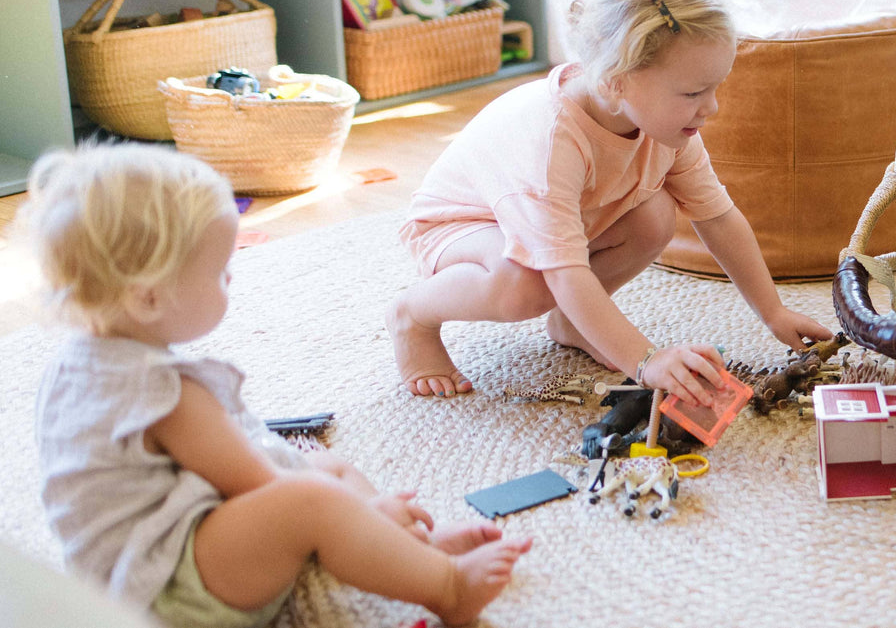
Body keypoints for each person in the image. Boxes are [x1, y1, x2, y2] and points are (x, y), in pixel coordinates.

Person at [22, 144, 531, 628]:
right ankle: (445, 585)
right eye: (220, 273)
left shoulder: (75, 367)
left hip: (135, 563)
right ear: (148, 299)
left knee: (318, 462)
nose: (231, 281)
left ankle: (411, 545)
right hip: (169, 593)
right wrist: (356, 509)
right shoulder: (168, 395)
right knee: (310, 497)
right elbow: (261, 484)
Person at [389, 0, 832, 400]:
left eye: (715, 87)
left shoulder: (666, 127)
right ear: (615, 82)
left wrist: (773, 312)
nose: (712, 107)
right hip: (461, 226)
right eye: (695, 92)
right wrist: (644, 360)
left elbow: (718, 217)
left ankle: (570, 323)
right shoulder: (551, 143)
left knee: (656, 216)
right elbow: (563, 271)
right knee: (526, 285)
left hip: (560, 222)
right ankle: (412, 316)